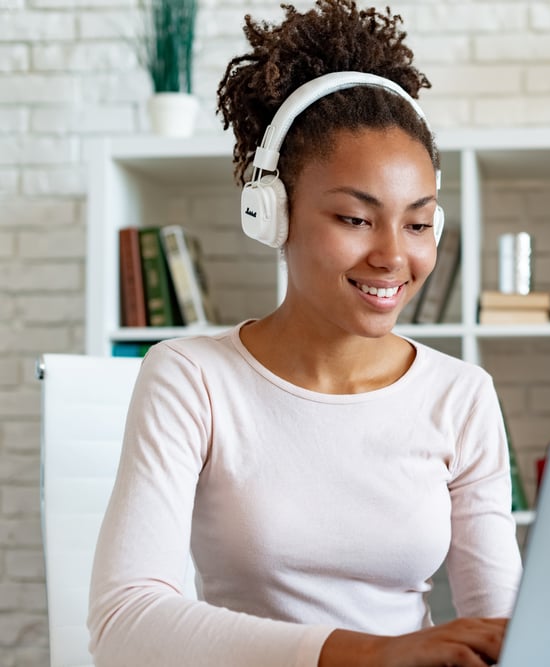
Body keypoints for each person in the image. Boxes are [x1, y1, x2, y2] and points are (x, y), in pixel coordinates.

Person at [87, 2, 523, 665]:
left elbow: (505, 628)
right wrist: (369, 654)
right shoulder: (193, 377)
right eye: (354, 218)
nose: (393, 256)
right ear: (272, 213)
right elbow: (124, 622)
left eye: (418, 222)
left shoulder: (461, 395)